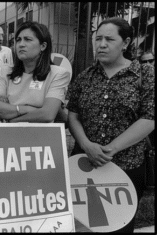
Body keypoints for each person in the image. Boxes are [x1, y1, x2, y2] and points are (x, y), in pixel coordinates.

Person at [66, 17, 154, 233]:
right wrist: (87, 145)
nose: (101, 44)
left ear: (125, 43)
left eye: (109, 39)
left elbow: (149, 118)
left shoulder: (145, 74)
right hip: (85, 165)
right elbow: (73, 115)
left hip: (127, 166)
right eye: (98, 39)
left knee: (119, 226)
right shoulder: (85, 77)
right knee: (84, 226)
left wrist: (108, 150)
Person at [0, 21, 70, 123]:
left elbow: (47, 114)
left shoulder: (58, 74)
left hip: (42, 136)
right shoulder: (7, 72)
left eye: (28, 40)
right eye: (18, 40)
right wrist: (25, 109)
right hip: (11, 136)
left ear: (43, 46)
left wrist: (13, 120)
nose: (21, 44)